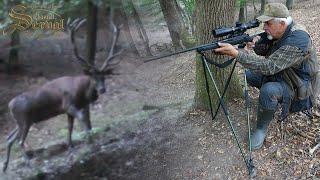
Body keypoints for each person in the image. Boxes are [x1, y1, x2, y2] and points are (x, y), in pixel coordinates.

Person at [214, 3, 320, 150]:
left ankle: (261, 129)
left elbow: (270, 66)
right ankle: (270, 103)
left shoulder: (298, 39)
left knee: (268, 91)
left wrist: (236, 53)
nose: (264, 27)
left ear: (282, 23)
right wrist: (255, 44)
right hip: (284, 75)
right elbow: (268, 51)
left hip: (300, 88)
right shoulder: (280, 31)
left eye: (268, 23)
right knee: (250, 75)